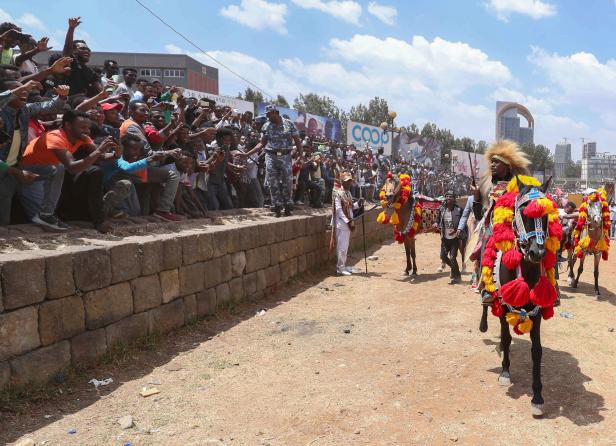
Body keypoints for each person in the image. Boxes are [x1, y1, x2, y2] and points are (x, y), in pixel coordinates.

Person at [19, 110, 119, 232]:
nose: (87, 131)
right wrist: (98, 151)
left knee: (61, 169)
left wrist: (116, 154)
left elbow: (102, 157)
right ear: (68, 126)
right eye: (82, 127)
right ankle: (46, 215)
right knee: (61, 168)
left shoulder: (82, 137)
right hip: (27, 169)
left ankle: (49, 215)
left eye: (88, 127)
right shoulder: (55, 137)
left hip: (49, 171)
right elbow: (72, 167)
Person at [239, 104, 302, 217]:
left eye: (269, 114)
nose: (267, 116)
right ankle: (276, 206)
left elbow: (297, 141)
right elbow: (262, 143)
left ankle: (287, 205)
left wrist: (300, 155)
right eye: (266, 114)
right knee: (272, 182)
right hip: (271, 155)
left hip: (285, 155)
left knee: (287, 182)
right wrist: (247, 154)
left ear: (275, 113)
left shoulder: (289, 124)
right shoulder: (266, 126)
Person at [332, 171, 362, 276]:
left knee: (345, 246)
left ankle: (343, 266)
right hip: (342, 223)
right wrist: (347, 220)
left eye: (350, 182)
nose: (349, 184)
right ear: (342, 182)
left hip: (348, 222)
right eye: (347, 182)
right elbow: (339, 210)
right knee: (342, 247)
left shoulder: (348, 193)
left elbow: (350, 207)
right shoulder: (338, 194)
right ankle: (340, 268)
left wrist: (358, 204)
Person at [62, 17, 101, 97]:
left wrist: (108, 89)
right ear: (74, 51)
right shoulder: (70, 62)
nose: (86, 51)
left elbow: (98, 92)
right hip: (68, 100)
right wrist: (71, 28)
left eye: (88, 49)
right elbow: (67, 49)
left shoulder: (91, 72)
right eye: (82, 49)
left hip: (84, 103)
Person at [434, 191, 466, 284]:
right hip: (445, 238)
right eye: (447, 196)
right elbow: (438, 219)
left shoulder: (459, 210)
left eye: (450, 197)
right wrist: (436, 223)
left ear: (454, 199)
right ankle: (455, 270)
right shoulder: (442, 209)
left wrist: (456, 230)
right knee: (443, 257)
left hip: (455, 239)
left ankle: (457, 276)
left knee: (452, 258)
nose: (448, 198)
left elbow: (462, 222)